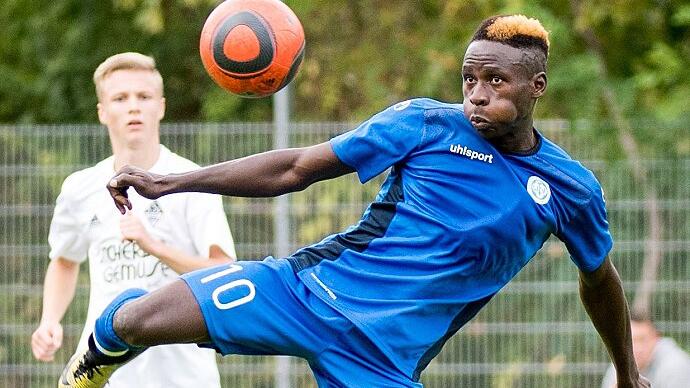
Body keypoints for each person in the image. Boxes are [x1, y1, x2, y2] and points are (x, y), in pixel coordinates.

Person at [59, 16, 650, 388]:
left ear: (535, 87)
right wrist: (172, 182)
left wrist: (626, 371)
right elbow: (295, 168)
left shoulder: (570, 189)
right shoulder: (423, 123)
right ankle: (93, 365)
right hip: (305, 293)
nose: (477, 95)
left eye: (496, 82)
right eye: (469, 79)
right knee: (135, 318)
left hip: (384, 360)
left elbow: (599, 278)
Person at [32, 52, 237, 388]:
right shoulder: (79, 187)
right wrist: (50, 319)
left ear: (161, 106)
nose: (133, 107)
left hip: (184, 375)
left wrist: (154, 246)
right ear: (102, 112)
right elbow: (65, 261)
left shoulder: (192, 180)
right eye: (120, 98)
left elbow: (223, 270)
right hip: (106, 374)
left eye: (143, 97)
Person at [601, 312, 690, 388]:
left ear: (656, 338)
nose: (637, 348)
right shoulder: (619, 365)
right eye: (630, 341)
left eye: (642, 339)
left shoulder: (675, 366)